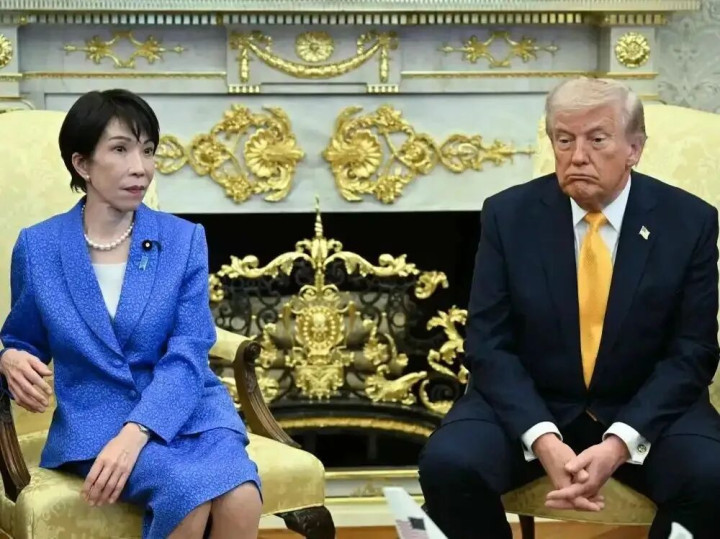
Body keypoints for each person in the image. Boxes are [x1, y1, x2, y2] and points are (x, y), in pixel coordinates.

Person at [418, 77, 720, 539]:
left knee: (711, 475)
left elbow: (693, 351)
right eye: (564, 140)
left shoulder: (689, 221)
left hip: (643, 405)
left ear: (634, 148)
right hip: (534, 400)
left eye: (597, 140)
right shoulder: (508, 216)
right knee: (449, 463)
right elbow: (487, 344)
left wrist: (621, 441)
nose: (577, 156)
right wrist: (541, 436)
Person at [0, 89, 262, 539]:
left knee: (243, 497)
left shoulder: (184, 240)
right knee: (188, 495)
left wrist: (138, 431)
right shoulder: (38, 247)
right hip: (96, 421)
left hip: (190, 409)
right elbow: (23, 339)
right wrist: (7, 356)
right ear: (82, 164)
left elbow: (189, 350)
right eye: (120, 150)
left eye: (148, 150)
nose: (140, 167)